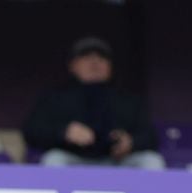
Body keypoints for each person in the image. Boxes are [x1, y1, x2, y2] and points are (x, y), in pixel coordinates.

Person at [23, 36, 157, 168]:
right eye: (86, 56)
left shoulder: (127, 99)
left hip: (118, 162)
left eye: (101, 57)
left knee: (151, 160)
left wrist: (131, 142)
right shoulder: (55, 97)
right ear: (72, 65)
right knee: (54, 158)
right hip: (74, 159)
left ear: (110, 66)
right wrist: (64, 132)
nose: (95, 62)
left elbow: (151, 136)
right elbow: (32, 131)